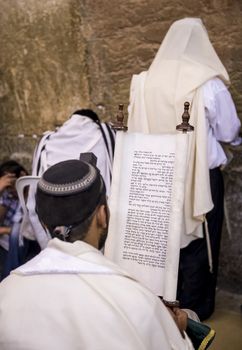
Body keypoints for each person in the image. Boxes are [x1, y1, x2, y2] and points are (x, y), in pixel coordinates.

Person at [0, 156, 194, 350]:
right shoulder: (139, 302)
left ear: (43, 223)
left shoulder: (6, 291)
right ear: (102, 215)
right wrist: (178, 332)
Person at [128, 18, 241, 320]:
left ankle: (164, 308)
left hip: (156, 174)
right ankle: (195, 312)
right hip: (199, 178)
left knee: (165, 240)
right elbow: (229, 131)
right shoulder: (207, 84)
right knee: (200, 240)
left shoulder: (144, 83)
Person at [0, 160, 27, 280]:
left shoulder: (31, 197)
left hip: (24, 244)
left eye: (13, 182)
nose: (11, 187)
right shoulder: (7, 196)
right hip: (5, 245)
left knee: (16, 230)